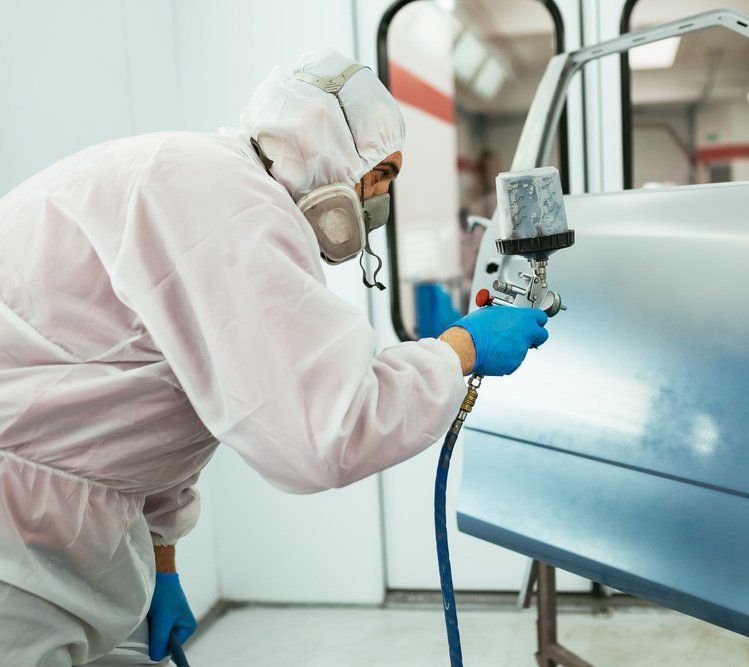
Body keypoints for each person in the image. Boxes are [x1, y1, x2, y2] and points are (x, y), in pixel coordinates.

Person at [0, 48, 550, 666]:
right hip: (18, 533)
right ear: (336, 156)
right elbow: (328, 433)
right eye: (384, 176)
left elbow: (156, 401)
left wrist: (161, 557)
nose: (382, 205)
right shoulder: (228, 207)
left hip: (56, 517)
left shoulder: (212, 184)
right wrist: (463, 347)